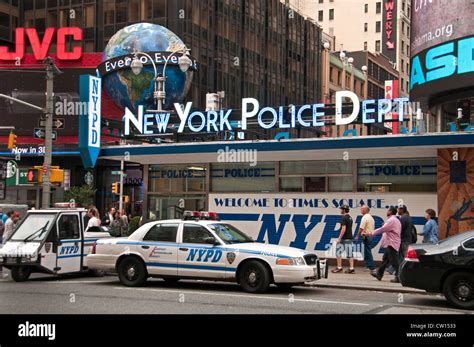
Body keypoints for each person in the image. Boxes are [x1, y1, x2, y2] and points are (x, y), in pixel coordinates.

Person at [366, 207, 401, 283]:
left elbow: (382, 229)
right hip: (391, 243)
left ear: (391, 212)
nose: (387, 211)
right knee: (385, 259)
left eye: (388, 210)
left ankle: (399, 277)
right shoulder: (394, 220)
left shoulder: (392, 220)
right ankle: (379, 274)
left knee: (394, 261)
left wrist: (371, 233)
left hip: (392, 243)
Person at [332, 205, 355, 274]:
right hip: (350, 238)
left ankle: (339, 267)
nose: (340, 210)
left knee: (338, 252)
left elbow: (343, 229)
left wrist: (339, 238)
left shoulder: (344, 218)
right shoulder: (350, 218)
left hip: (344, 239)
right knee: (350, 254)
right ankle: (351, 268)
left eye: (341, 209)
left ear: (344, 210)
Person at [355, 205, 376, 272]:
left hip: (366, 236)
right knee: (367, 251)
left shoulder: (365, 217)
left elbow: (361, 228)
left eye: (362, 209)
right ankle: (368, 265)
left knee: (367, 251)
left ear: (366, 210)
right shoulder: (371, 217)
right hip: (370, 235)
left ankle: (371, 266)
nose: (361, 210)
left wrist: (357, 235)